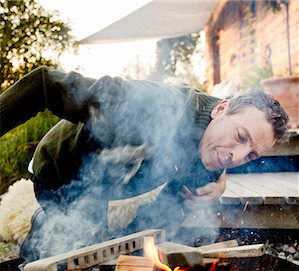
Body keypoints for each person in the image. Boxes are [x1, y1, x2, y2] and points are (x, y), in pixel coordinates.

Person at [0, 66, 289, 260]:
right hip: (58, 171)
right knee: (65, 247)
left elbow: (169, 206)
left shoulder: (214, 147)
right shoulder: (147, 106)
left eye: (250, 155)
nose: (236, 157)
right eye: (241, 136)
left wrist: (141, 248)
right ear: (222, 108)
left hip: (110, 184)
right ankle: (44, 220)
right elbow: (43, 84)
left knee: (105, 253)